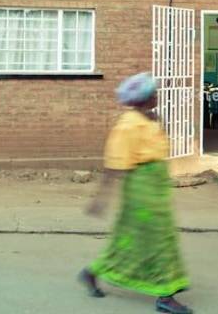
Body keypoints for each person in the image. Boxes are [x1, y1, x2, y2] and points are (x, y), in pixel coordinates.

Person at [78, 72, 192, 314]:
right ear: (143, 98)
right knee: (160, 239)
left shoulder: (147, 119)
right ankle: (166, 295)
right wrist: (101, 200)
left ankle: (92, 272)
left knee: (132, 240)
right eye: (154, 93)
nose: (157, 96)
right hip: (142, 192)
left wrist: (155, 121)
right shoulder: (128, 125)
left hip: (155, 188)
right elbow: (114, 165)